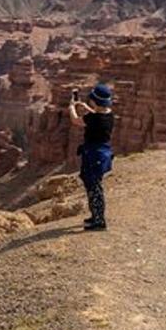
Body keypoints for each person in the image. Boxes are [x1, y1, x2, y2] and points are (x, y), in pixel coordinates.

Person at [68, 83, 115, 231]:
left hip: (93, 155)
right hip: (102, 153)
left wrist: (71, 107)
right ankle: (96, 216)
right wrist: (87, 108)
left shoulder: (93, 119)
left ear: (94, 101)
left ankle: (99, 221)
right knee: (95, 185)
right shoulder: (109, 114)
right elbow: (97, 114)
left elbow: (76, 121)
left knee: (93, 188)